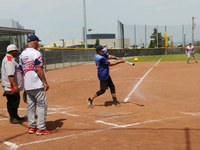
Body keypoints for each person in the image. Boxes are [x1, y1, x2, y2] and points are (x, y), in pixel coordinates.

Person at [18, 34, 52, 135]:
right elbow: (39, 68)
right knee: (42, 106)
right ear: (34, 42)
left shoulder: (22, 54)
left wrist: (23, 84)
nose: (38, 44)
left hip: (28, 85)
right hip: (37, 84)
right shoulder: (36, 53)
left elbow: (20, 70)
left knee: (31, 106)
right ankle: (41, 128)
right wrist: (45, 82)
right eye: (37, 42)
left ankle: (31, 127)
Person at [1, 44, 25, 124]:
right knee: (12, 103)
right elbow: (10, 75)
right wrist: (15, 86)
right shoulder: (9, 60)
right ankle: (13, 118)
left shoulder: (10, 59)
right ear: (12, 51)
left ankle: (15, 116)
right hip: (11, 86)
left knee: (15, 102)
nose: (17, 52)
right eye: (16, 50)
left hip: (11, 86)